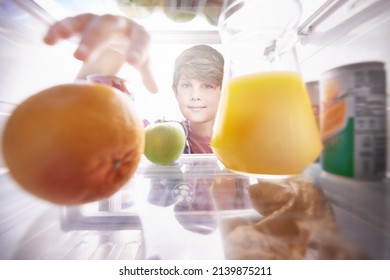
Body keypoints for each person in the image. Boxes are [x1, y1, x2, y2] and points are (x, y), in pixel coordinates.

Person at [43, 14, 224, 154]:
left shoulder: (242, 140)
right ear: (175, 91)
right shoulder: (155, 135)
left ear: (225, 92)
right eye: (186, 85)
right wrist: (112, 52)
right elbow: (81, 129)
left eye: (207, 85)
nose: (195, 95)